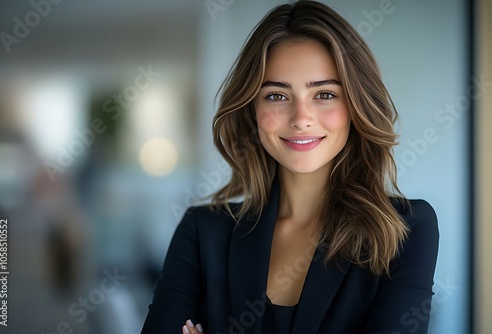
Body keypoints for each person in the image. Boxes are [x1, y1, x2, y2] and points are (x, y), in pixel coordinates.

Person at [141, 1, 439, 333]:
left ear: (356, 105)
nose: (300, 119)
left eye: (325, 94)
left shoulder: (406, 231)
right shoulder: (202, 231)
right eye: (277, 96)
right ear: (252, 109)